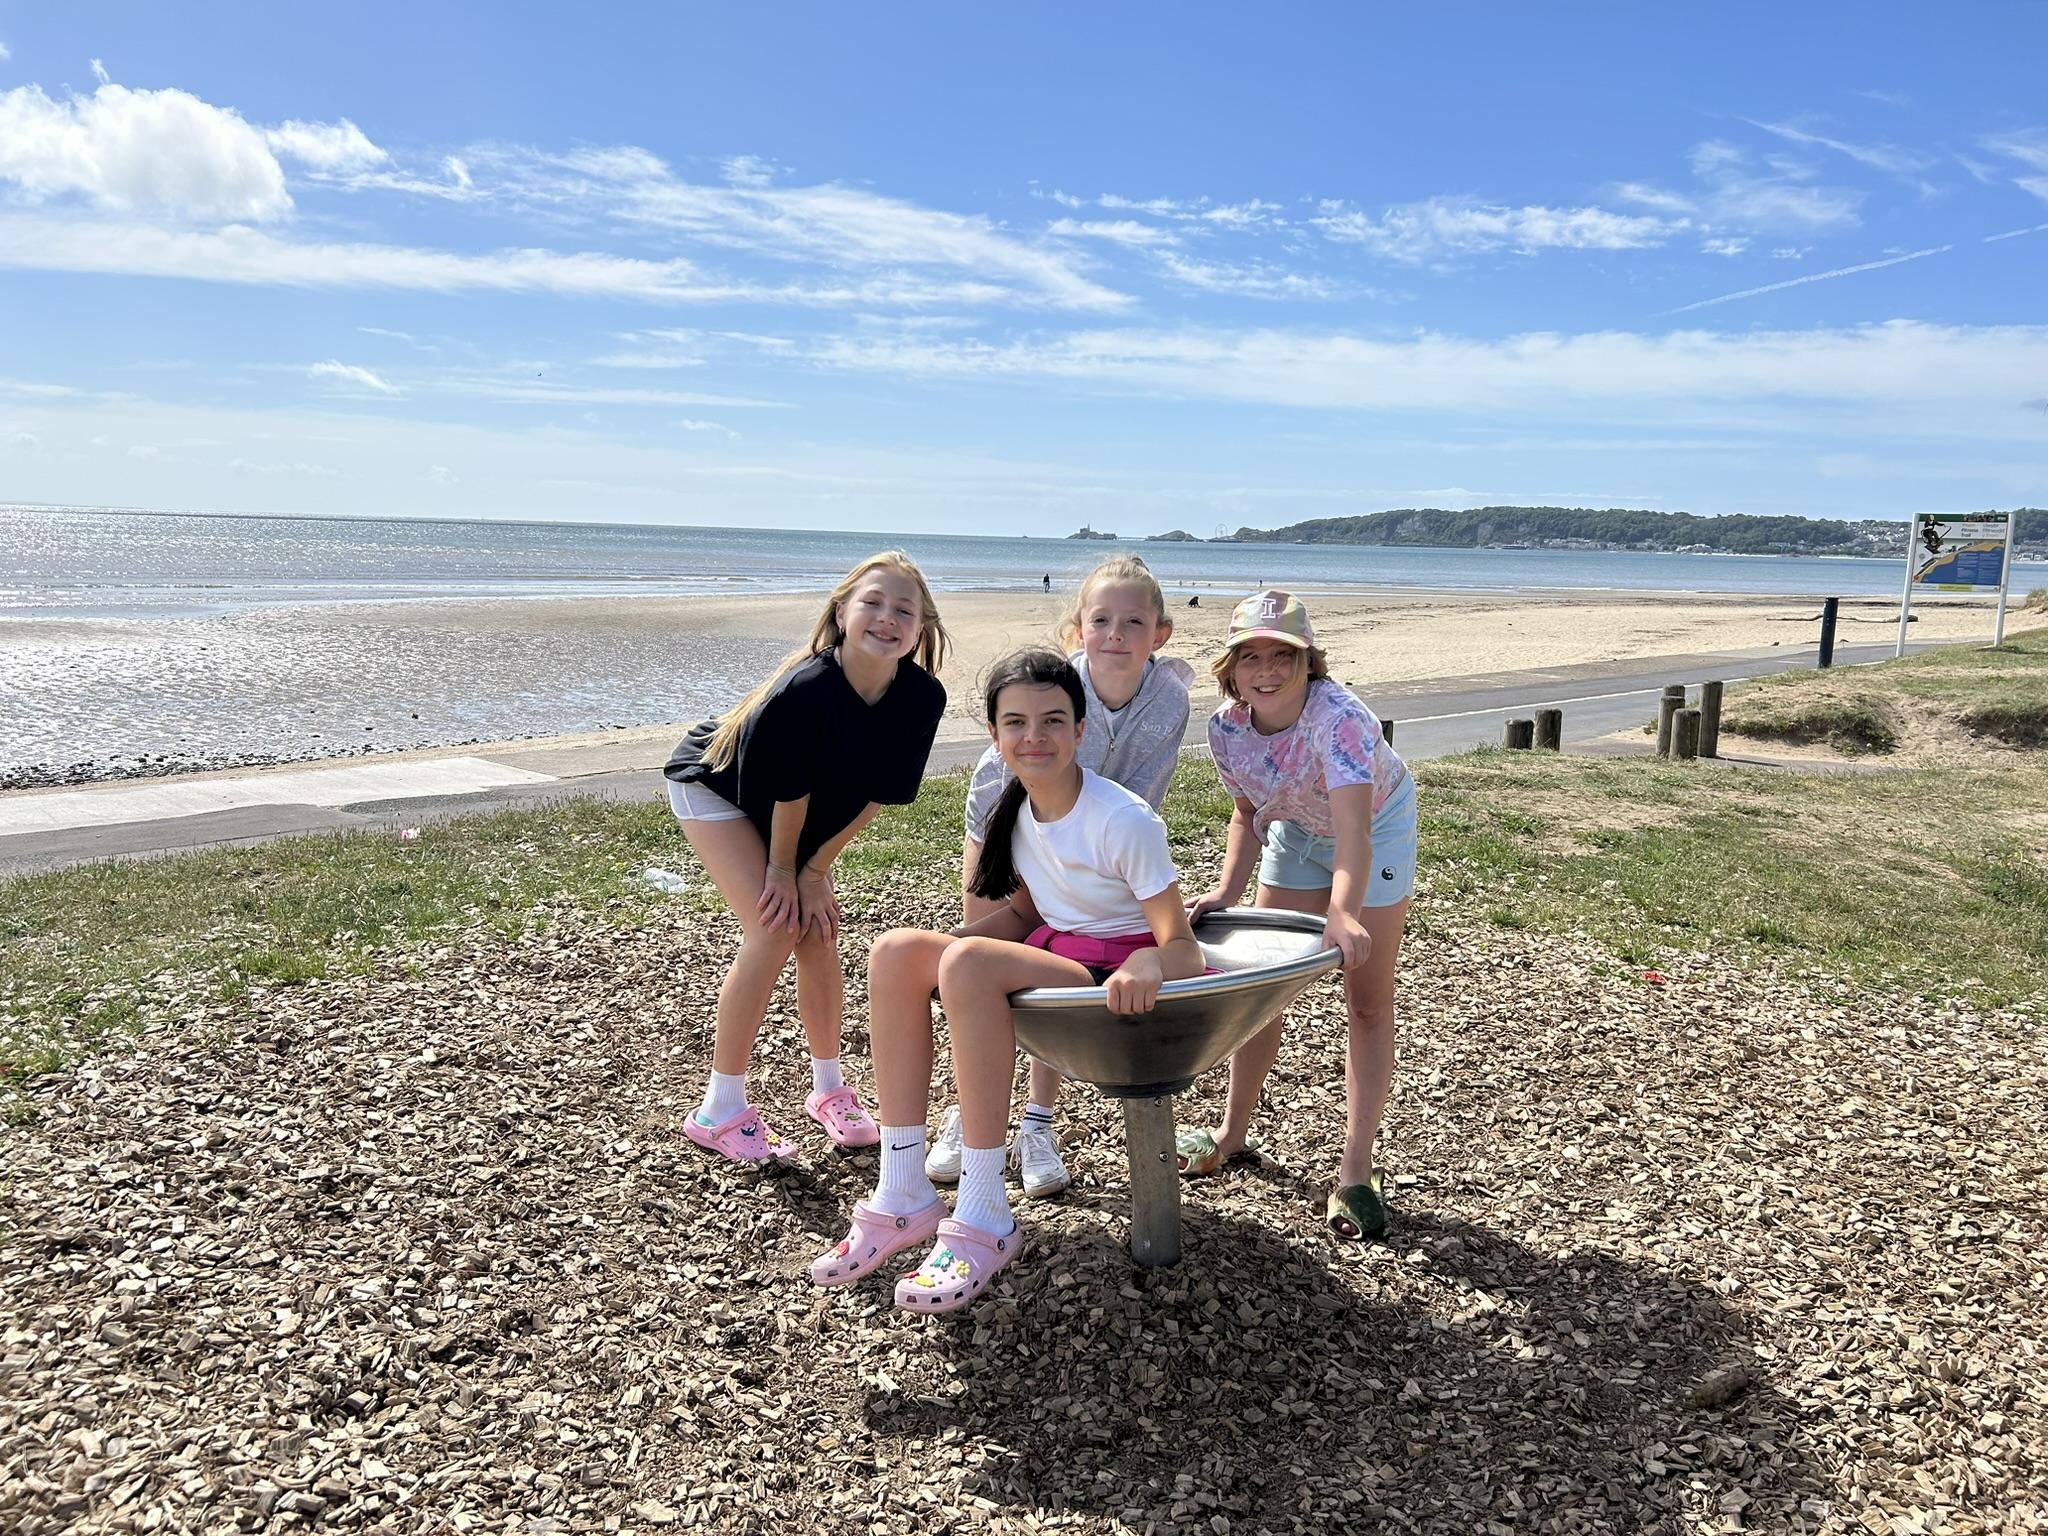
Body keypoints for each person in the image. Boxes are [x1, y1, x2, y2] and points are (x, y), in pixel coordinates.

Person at [809, 649, 1204, 1313]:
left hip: (1111, 974)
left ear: (1081, 729)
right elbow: (1025, 914)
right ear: (994, 735)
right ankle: (904, 1188)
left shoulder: (1124, 820)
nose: (1034, 736)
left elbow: (1183, 949)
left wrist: (1147, 962)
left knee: (965, 964)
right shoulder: (1017, 809)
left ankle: (985, 1210)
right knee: (896, 952)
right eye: (1016, 722)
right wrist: (952, 943)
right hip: (1058, 950)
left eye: (1053, 720)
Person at [662, 553, 949, 1163]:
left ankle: (829, 1090)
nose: (887, 617)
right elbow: (787, 795)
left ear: (921, 627)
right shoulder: (806, 689)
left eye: (905, 610)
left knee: (817, 930)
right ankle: (719, 1110)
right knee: (775, 927)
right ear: (842, 611)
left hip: (796, 811)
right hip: (717, 788)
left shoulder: (922, 697)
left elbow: (878, 796)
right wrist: (785, 872)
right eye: (873, 602)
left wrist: (813, 872)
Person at [931, 555, 1192, 1198]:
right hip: (1007, 816)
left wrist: (1103, 851)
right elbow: (1021, 750)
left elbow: (1143, 793)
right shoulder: (1060, 682)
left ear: (1159, 633)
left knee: (1060, 961)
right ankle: (970, 1109)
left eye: (1133, 622)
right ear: (1078, 629)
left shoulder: (1169, 698)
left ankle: (1037, 1123)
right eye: (1100, 620)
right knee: (986, 971)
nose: (1115, 634)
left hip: (1095, 832)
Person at [1181, 590, 1417, 1241]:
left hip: (1374, 828)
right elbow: (1246, 813)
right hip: (1293, 828)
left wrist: (1342, 913)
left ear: (1309, 661)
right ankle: (1232, 1133)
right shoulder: (1227, 728)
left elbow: (1354, 831)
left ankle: (1356, 1168)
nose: (1266, 670)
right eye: (1250, 656)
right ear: (1230, 668)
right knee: (1261, 988)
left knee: (1367, 999)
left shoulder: (1338, 720)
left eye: (1282, 655)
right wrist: (1226, 891)